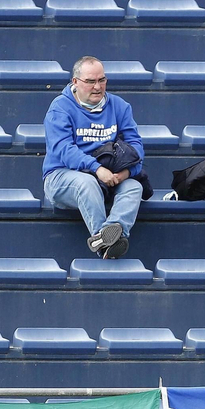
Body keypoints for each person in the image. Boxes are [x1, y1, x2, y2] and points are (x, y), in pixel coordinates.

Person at [43, 56, 144, 260]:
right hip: (62, 176)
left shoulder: (119, 106)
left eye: (102, 80)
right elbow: (63, 149)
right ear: (75, 82)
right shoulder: (60, 108)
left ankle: (109, 235)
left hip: (108, 178)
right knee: (86, 183)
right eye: (90, 81)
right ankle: (105, 243)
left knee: (134, 187)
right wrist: (97, 169)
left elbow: (136, 146)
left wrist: (127, 173)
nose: (97, 87)